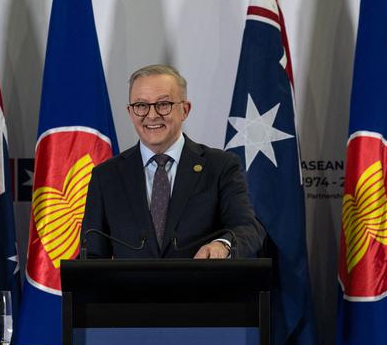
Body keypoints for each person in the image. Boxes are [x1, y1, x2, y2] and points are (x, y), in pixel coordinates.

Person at [81, 64, 264, 259]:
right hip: (131, 290)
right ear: (130, 112)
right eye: (141, 105)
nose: (152, 115)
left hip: (199, 288)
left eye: (163, 104)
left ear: (185, 110)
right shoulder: (106, 175)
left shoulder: (220, 166)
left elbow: (248, 228)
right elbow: (91, 256)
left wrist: (223, 245)